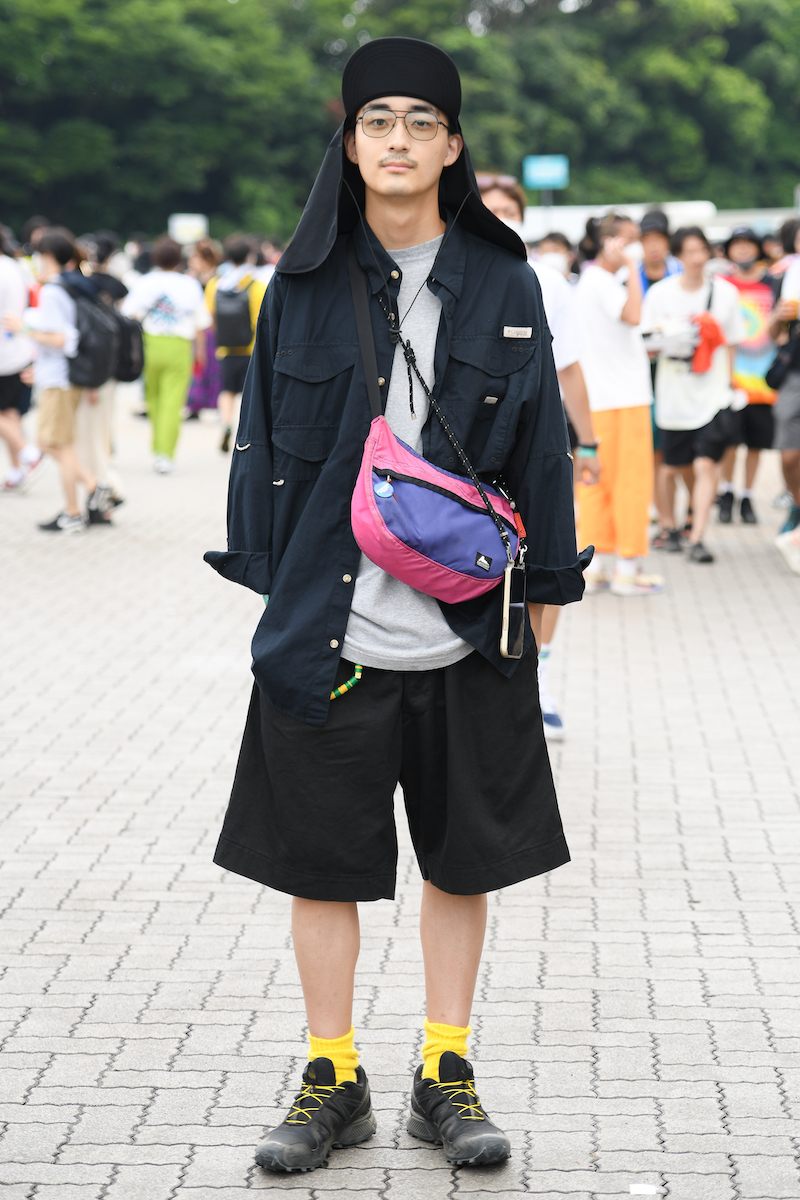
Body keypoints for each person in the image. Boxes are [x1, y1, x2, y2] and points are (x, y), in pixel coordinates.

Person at [204, 35, 590, 1175]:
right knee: (317, 865)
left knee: (461, 862)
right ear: (350, 141)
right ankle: (332, 1075)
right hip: (328, 633)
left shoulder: (505, 283)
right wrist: (269, 595)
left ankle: (444, 1069)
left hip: (468, 632)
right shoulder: (299, 286)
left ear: (453, 147)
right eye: (378, 120)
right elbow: (259, 445)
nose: (399, 139)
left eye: (422, 122)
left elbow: (542, 449)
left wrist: (545, 597)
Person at [478, 175, 600, 739]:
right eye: (490, 208)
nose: (501, 217)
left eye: (510, 209)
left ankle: (536, 678)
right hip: (467, 445)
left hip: (539, 441)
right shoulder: (448, 272)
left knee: (543, 558)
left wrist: (589, 441)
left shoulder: (547, 281)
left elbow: (569, 367)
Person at [641, 227, 746, 563]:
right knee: (673, 466)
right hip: (673, 392)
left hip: (713, 393)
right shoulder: (661, 294)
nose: (697, 258)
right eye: (689, 251)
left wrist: (731, 384)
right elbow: (647, 343)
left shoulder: (725, 293)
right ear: (678, 255)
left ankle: (697, 535)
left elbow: (732, 342)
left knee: (706, 464)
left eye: (702, 250)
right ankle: (670, 525)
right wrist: (672, 340)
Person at [1, 228, 112, 532]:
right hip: (60, 377)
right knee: (53, 443)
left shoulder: (53, 290)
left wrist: (23, 329)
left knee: (55, 445)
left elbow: (63, 339)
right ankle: (92, 490)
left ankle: (76, 508)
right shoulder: (68, 286)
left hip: (59, 380)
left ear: (48, 255)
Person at [575, 213, 662, 594]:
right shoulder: (602, 280)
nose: (635, 246)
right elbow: (633, 315)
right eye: (628, 239)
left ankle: (595, 566)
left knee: (598, 483)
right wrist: (631, 267)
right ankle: (627, 567)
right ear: (609, 242)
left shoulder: (592, 280)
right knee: (631, 482)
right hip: (624, 397)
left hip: (601, 398)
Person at [121, 236, 212, 473]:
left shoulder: (145, 282)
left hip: (150, 344)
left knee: (153, 399)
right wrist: (200, 353)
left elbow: (128, 313)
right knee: (173, 402)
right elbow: (202, 323)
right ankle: (166, 454)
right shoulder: (189, 284)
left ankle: (156, 447)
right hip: (179, 346)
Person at [717, 227, 780, 524]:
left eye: (748, 244)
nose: (743, 250)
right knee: (729, 440)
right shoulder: (721, 285)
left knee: (755, 442)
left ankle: (747, 495)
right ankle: (727, 492)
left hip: (763, 380)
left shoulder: (773, 284)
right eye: (737, 245)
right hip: (730, 377)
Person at [204, 233, 267, 453]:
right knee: (251, 393)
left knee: (227, 390)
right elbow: (262, 319)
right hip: (251, 348)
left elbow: (211, 317)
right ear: (250, 256)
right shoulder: (257, 285)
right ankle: (246, 432)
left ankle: (226, 423)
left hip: (226, 348)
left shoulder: (216, 285)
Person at [0, 225, 42, 491]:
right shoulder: (17, 266)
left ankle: (29, 453)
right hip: (20, 348)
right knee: (10, 413)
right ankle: (16, 471)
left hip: (3, 353)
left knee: (6, 413)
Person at [769, 246, 800, 539]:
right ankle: (796, 503)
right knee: (789, 455)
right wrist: (778, 316)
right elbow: (771, 333)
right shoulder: (788, 276)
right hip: (794, 374)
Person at [185, 238, 224, 419]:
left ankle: (209, 403)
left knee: (209, 366)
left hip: (209, 329)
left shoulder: (216, 280)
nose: (191, 262)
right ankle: (195, 404)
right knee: (197, 366)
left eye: (195, 258)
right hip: (196, 329)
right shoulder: (192, 279)